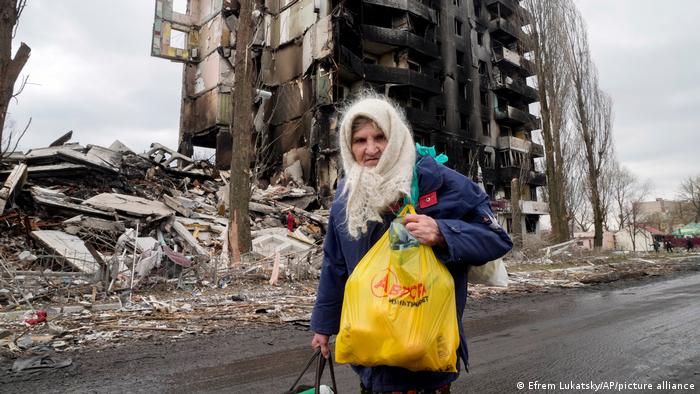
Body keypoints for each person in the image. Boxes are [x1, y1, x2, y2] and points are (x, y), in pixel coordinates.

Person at [310, 95, 513, 393]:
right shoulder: (347, 196)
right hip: (371, 358)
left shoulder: (441, 182)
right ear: (348, 146)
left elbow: (497, 240)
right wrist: (323, 326)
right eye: (360, 140)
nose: (371, 149)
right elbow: (336, 265)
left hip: (426, 359)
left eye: (380, 137)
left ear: (397, 138)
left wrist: (443, 232)